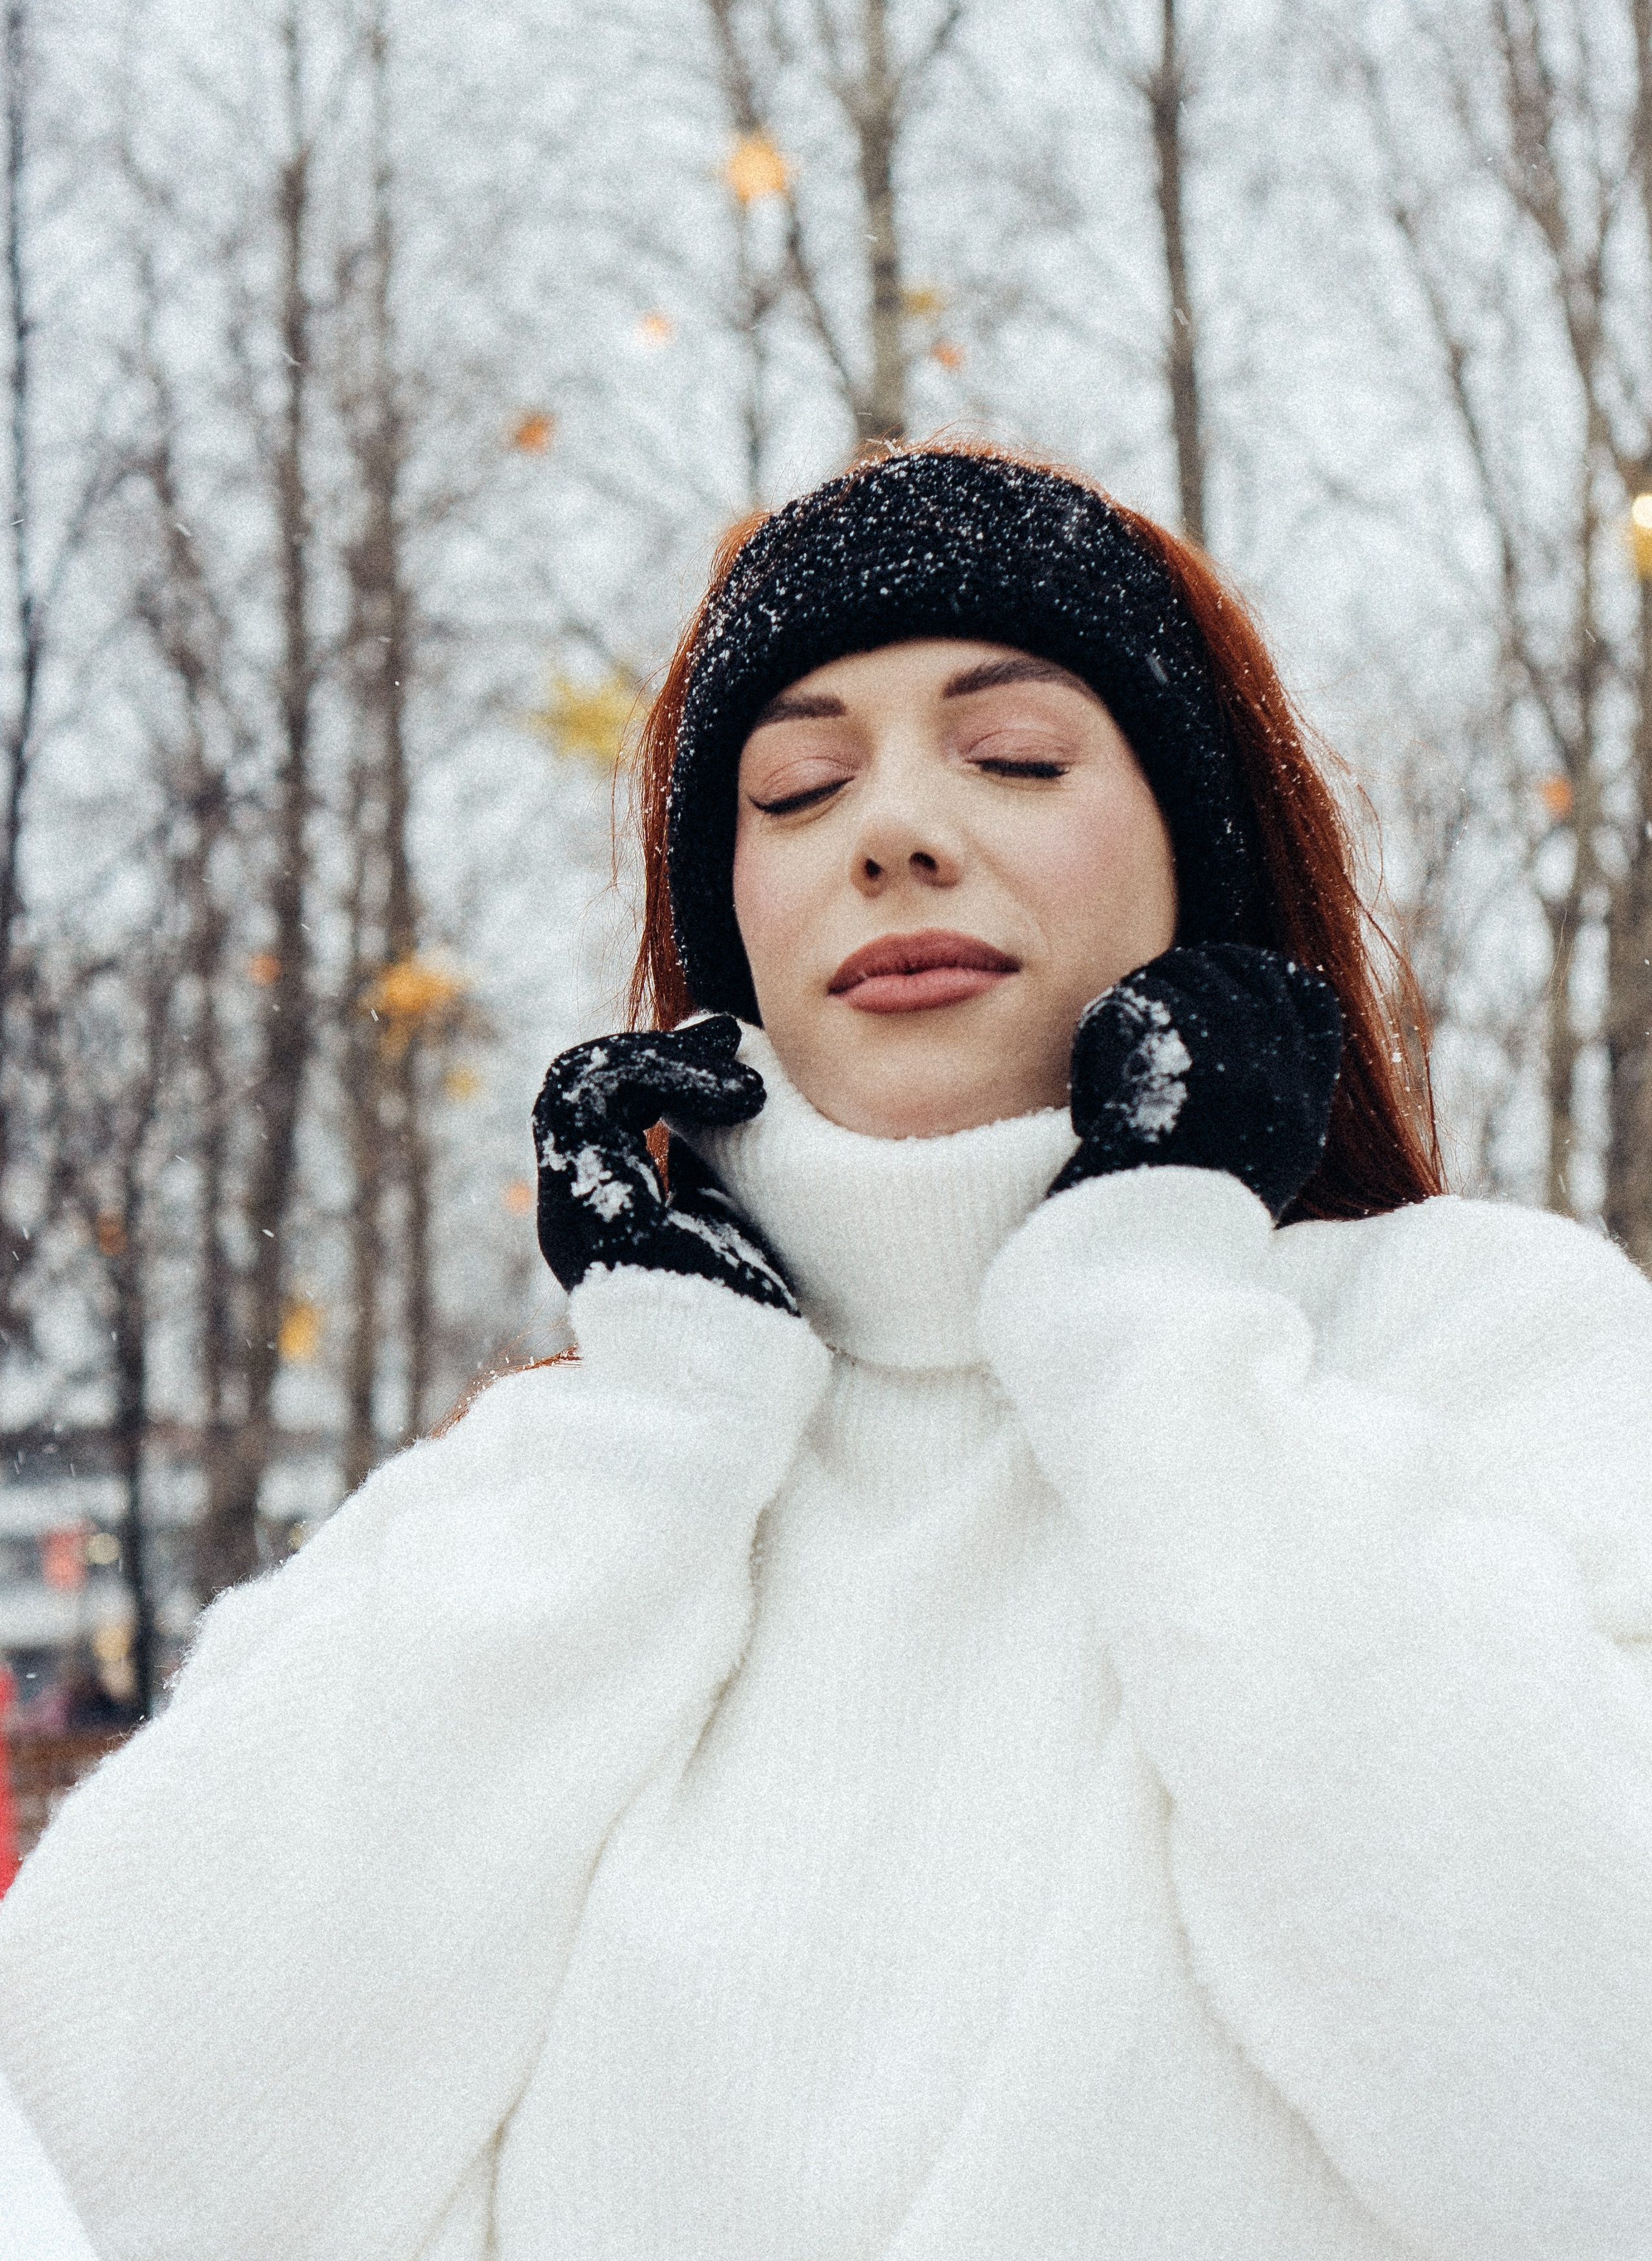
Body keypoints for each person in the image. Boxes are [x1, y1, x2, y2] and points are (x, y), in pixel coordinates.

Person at [2, 441, 1651, 2261]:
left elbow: (1599, 2125)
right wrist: (661, 1426)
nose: (893, 830)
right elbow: (153, 2145)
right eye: (796, 789)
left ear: (1202, 848)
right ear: (736, 923)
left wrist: (1150, 1314)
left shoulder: (1486, 1353)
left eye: (1013, 756)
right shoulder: (586, 1476)